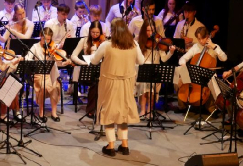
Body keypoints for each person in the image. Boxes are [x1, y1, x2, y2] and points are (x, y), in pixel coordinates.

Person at [90, 19, 145, 156]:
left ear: (113, 31)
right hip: (127, 83)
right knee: (123, 112)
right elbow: (141, 61)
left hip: (110, 83)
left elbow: (94, 61)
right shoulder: (133, 44)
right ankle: (125, 145)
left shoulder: (106, 45)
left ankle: (111, 145)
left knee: (109, 113)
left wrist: (96, 50)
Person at [177, 27, 227, 112]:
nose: (200, 41)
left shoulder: (214, 47)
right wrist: (183, 65)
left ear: (207, 36)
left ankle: (212, 108)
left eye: (202, 38)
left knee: (212, 81)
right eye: (198, 39)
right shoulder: (195, 47)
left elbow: (224, 58)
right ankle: (182, 105)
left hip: (208, 75)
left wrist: (213, 47)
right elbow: (182, 59)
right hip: (195, 73)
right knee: (179, 76)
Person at [25, 28, 69, 122]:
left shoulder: (52, 48)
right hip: (39, 74)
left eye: (49, 39)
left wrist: (65, 62)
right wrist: (36, 63)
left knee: (55, 86)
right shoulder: (35, 47)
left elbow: (57, 63)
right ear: (41, 36)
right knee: (42, 87)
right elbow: (27, 58)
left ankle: (53, 112)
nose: (46, 41)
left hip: (50, 74)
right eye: (45, 39)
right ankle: (41, 112)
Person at [136, 21, 175, 117]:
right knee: (144, 85)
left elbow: (164, 58)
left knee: (152, 89)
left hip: (155, 70)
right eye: (148, 30)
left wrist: (171, 52)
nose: (150, 33)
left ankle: (150, 109)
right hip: (143, 69)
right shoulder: (140, 42)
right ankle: (143, 109)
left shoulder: (158, 43)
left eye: (152, 31)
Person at [71, 21, 106, 117]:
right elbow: (73, 56)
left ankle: (102, 108)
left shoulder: (104, 42)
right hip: (87, 71)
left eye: (97, 33)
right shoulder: (84, 41)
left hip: (100, 70)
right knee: (96, 82)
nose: (95, 35)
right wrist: (83, 63)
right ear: (90, 31)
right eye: (93, 32)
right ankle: (91, 110)